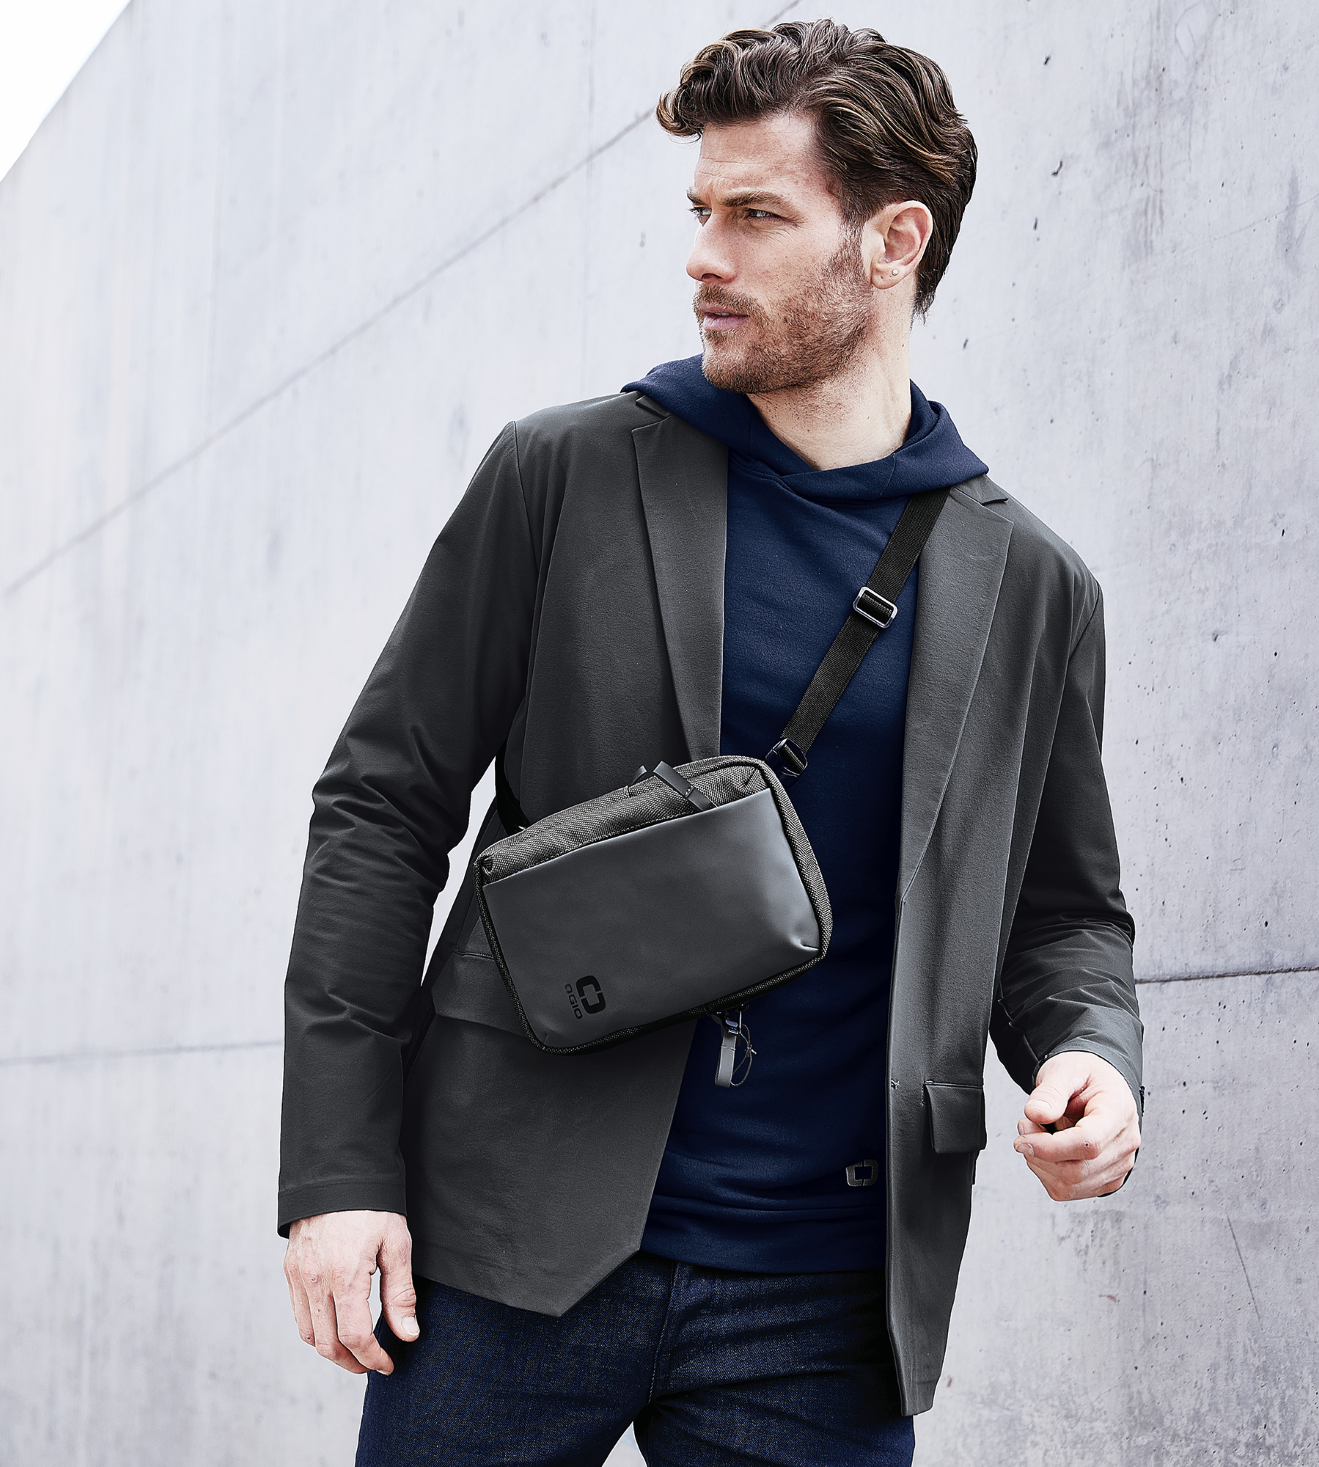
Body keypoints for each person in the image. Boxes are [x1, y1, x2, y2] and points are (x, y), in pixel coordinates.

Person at [278, 20, 1143, 1466]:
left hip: (825, 1299)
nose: (703, 257)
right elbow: (382, 804)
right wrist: (339, 1171)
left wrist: (1091, 1056)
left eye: (756, 216)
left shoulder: (1032, 586)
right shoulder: (563, 473)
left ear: (894, 241)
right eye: (700, 211)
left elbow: (1062, 913)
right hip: (506, 1245)